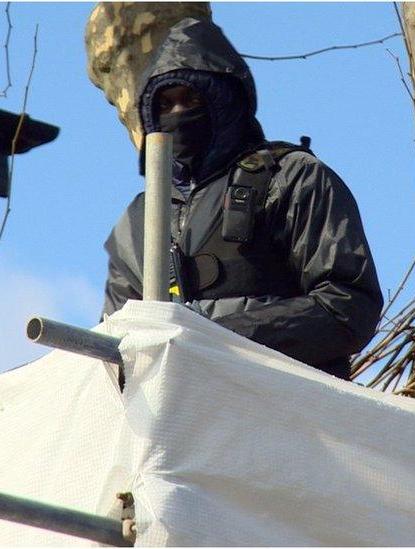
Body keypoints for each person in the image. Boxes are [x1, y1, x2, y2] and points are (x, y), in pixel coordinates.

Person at [102, 18, 383, 380]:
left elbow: (348, 306)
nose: (177, 114)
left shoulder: (290, 178)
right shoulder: (138, 221)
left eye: (190, 100)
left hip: (283, 411)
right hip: (178, 419)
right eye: (165, 104)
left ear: (224, 101)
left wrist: (221, 337)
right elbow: (112, 347)